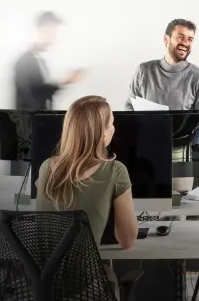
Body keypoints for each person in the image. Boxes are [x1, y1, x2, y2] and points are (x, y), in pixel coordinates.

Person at [35, 95, 138, 298]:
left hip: (42, 286)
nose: (114, 129)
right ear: (101, 134)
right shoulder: (115, 170)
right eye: (111, 124)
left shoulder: (47, 167)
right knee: (109, 276)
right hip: (84, 289)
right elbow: (127, 240)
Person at [125, 18, 199, 111]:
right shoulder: (143, 70)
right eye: (180, 37)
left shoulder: (198, 77)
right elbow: (130, 106)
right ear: (166, 39)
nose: (186, 43)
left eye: (190, 39)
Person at [13, 11, 82, 111]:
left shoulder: (39, 61)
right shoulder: (24, 62)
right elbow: (31, 98)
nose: (53, 38)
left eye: (55, 34)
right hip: (29, 123)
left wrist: (65, 81)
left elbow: (40, 90)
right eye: (50, 33)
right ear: (38, 31)